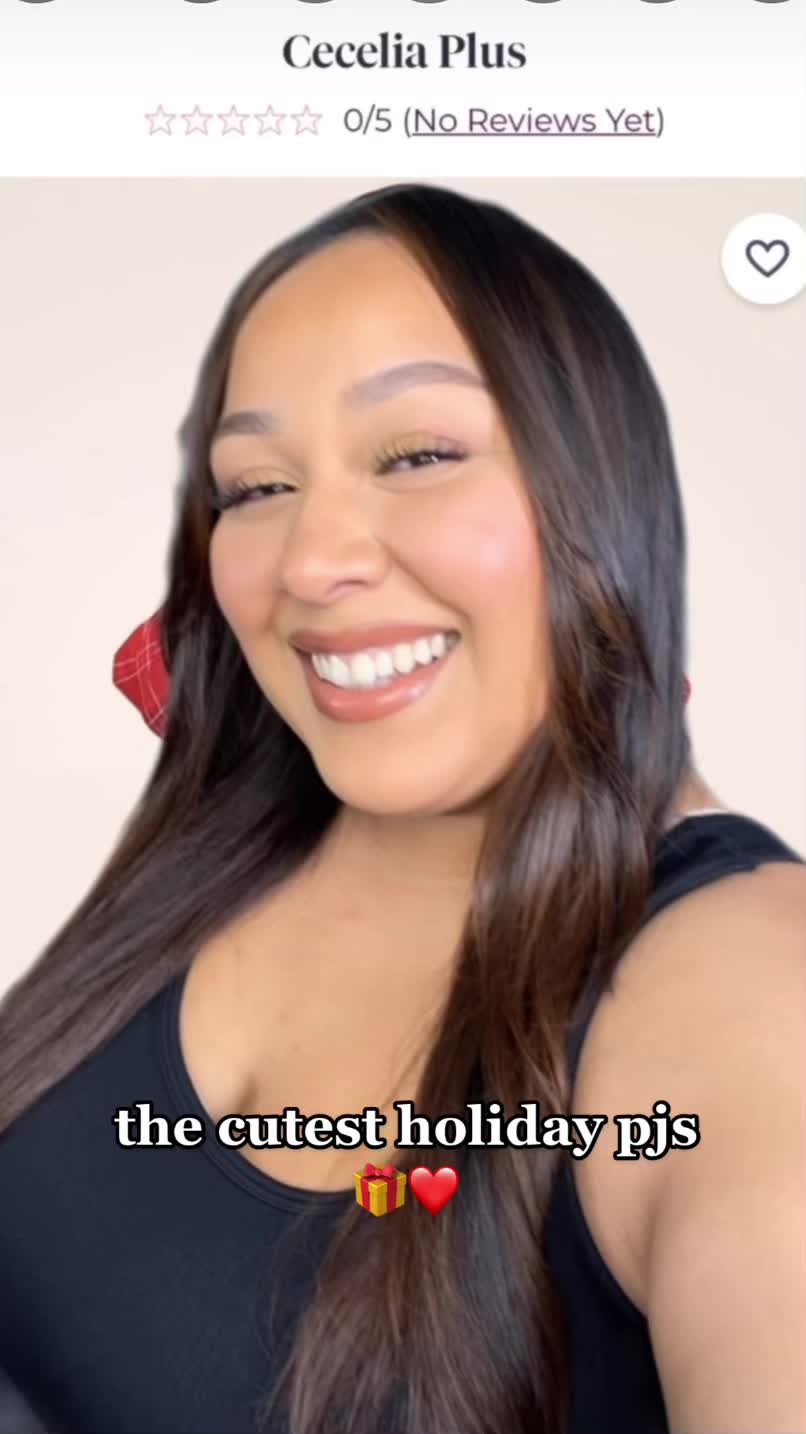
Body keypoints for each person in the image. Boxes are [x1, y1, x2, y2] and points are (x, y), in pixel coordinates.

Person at [0, 183, 803, 1434]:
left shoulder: (748, 989)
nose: (311, 562)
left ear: (600, 490)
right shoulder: (240, 831)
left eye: (418, 455)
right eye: (254, 486)